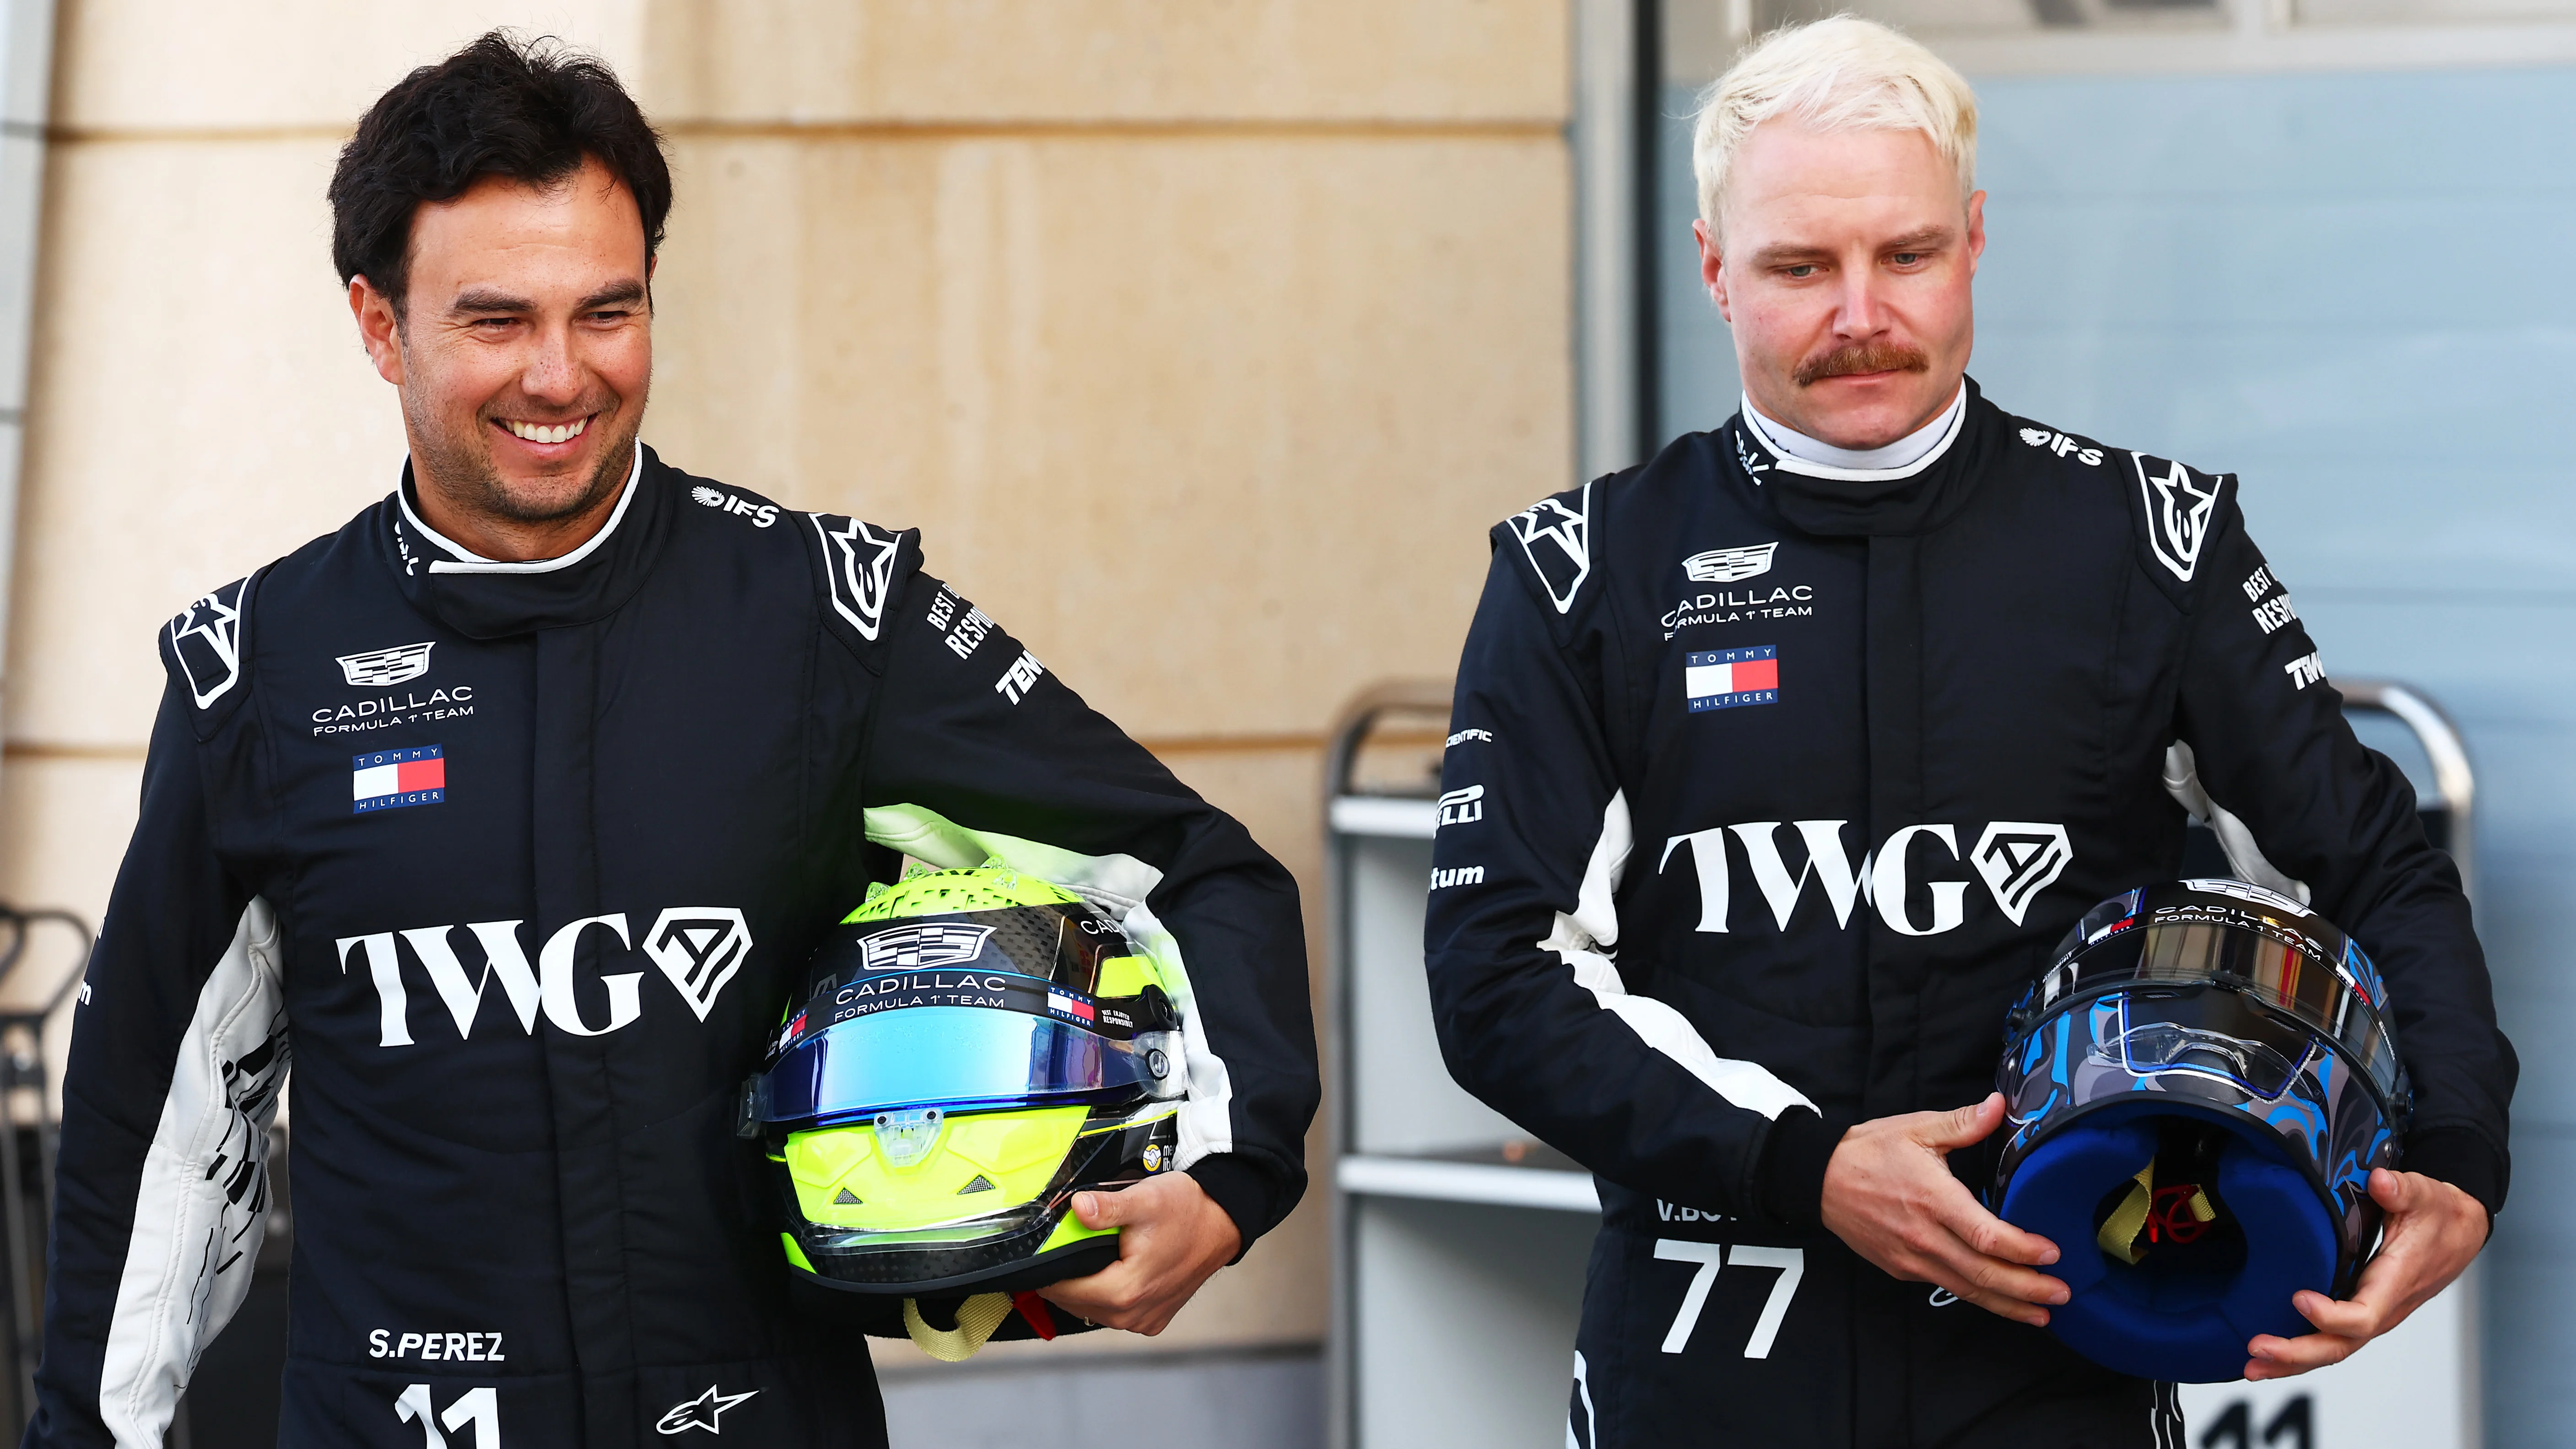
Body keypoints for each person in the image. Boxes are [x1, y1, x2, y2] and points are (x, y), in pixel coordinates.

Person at [26, 33, 1317, 1449]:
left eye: (608, 311)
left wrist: (1230, 1176)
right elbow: (155, 1115)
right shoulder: (256, 672)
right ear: (380, 326)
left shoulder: (824, 617)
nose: (560, 376)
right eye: (497, 320)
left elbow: (1194, 869)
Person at [1423, 18, 2512, 1447]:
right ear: (1711, 268)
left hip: (2059, 1346)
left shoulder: (2150, 544)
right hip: (1704, 1360)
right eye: (1799, 267)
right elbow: (1495, 976)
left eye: (1907, 254)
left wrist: (2453, 1153)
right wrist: (1803, 1166)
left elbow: (2375, 866)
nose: (1859, 312)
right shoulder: (1582, 572)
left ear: (1976, 241)